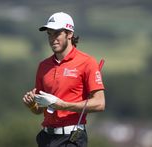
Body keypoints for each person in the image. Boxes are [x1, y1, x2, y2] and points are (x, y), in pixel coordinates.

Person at [22, 12, 106, 147]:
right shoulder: (43, 66)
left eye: (57, 33)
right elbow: (39, 110)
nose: (52, 39)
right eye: (49, 34)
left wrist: (63, 105)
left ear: (69, 34)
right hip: (46, 138)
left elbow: (100, 103)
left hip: (71, 138)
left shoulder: (87, 62)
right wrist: (32, 104)